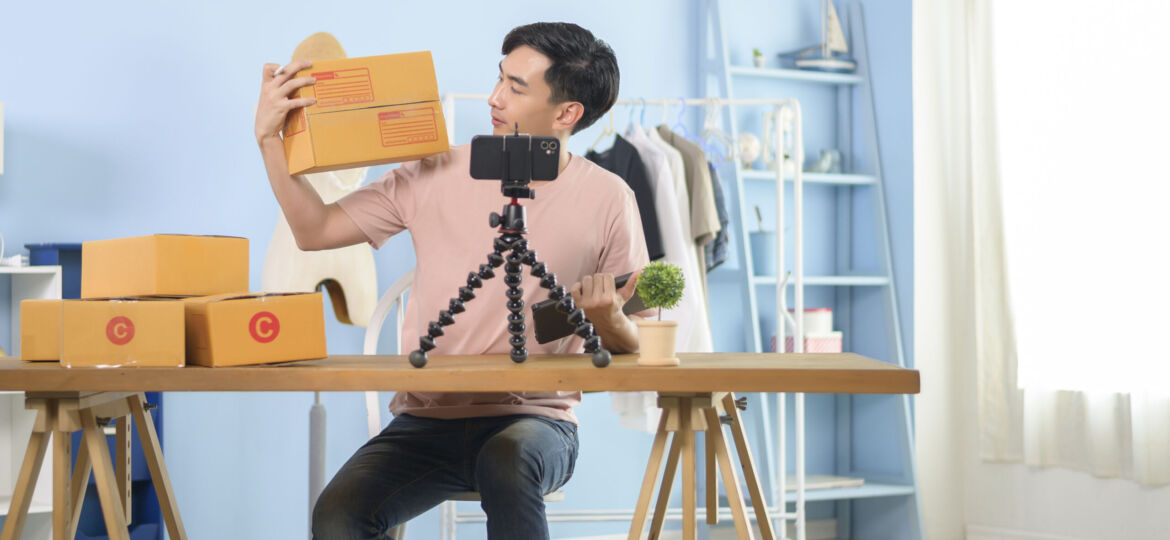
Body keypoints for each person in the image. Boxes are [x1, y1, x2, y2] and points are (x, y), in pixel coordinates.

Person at [253, 22, 650, 540]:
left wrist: (610, 320)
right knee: (337, 515)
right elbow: (314, 230)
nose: (493, 98)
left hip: (537, 423)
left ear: (567, 113)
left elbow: (640, 343)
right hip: (427, 420)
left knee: (506, 460)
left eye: (515, 87)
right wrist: (268, 139)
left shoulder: (609, 197)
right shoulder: (434, 169)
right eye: (499, 79)